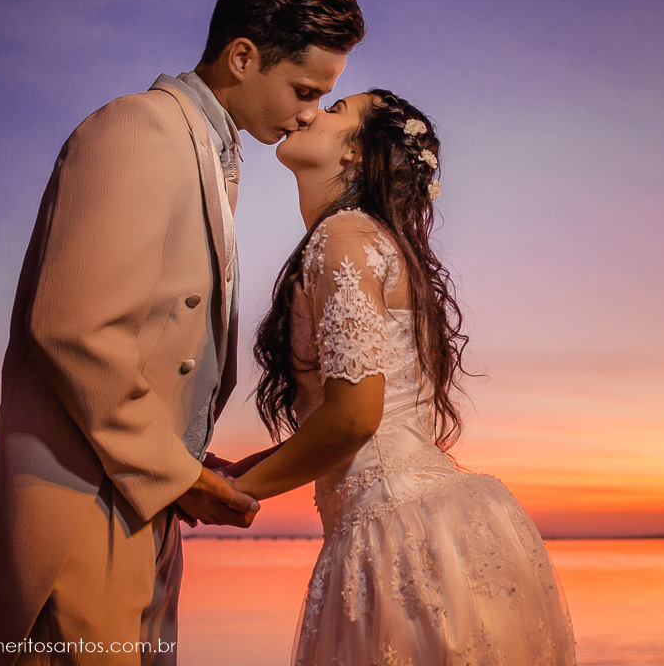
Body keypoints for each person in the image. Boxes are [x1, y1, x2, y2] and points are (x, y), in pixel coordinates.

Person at [0, 0, 365, 666]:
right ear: (242, 56)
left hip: (139, 503)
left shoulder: (205, 151)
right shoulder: (140, 129)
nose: (308, 113)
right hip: (81, 508)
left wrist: (182, 469)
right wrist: (177, 474)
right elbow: (75, 330)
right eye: (303, 89)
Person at [226, 90, 579, 665]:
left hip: (394, 529)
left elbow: (356, 417)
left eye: (335, 109)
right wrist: (237, 471)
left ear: (354, 155)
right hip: (424, 518)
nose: (311, 110)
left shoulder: (343, 238)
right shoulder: (375, 241)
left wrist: (241, 492)